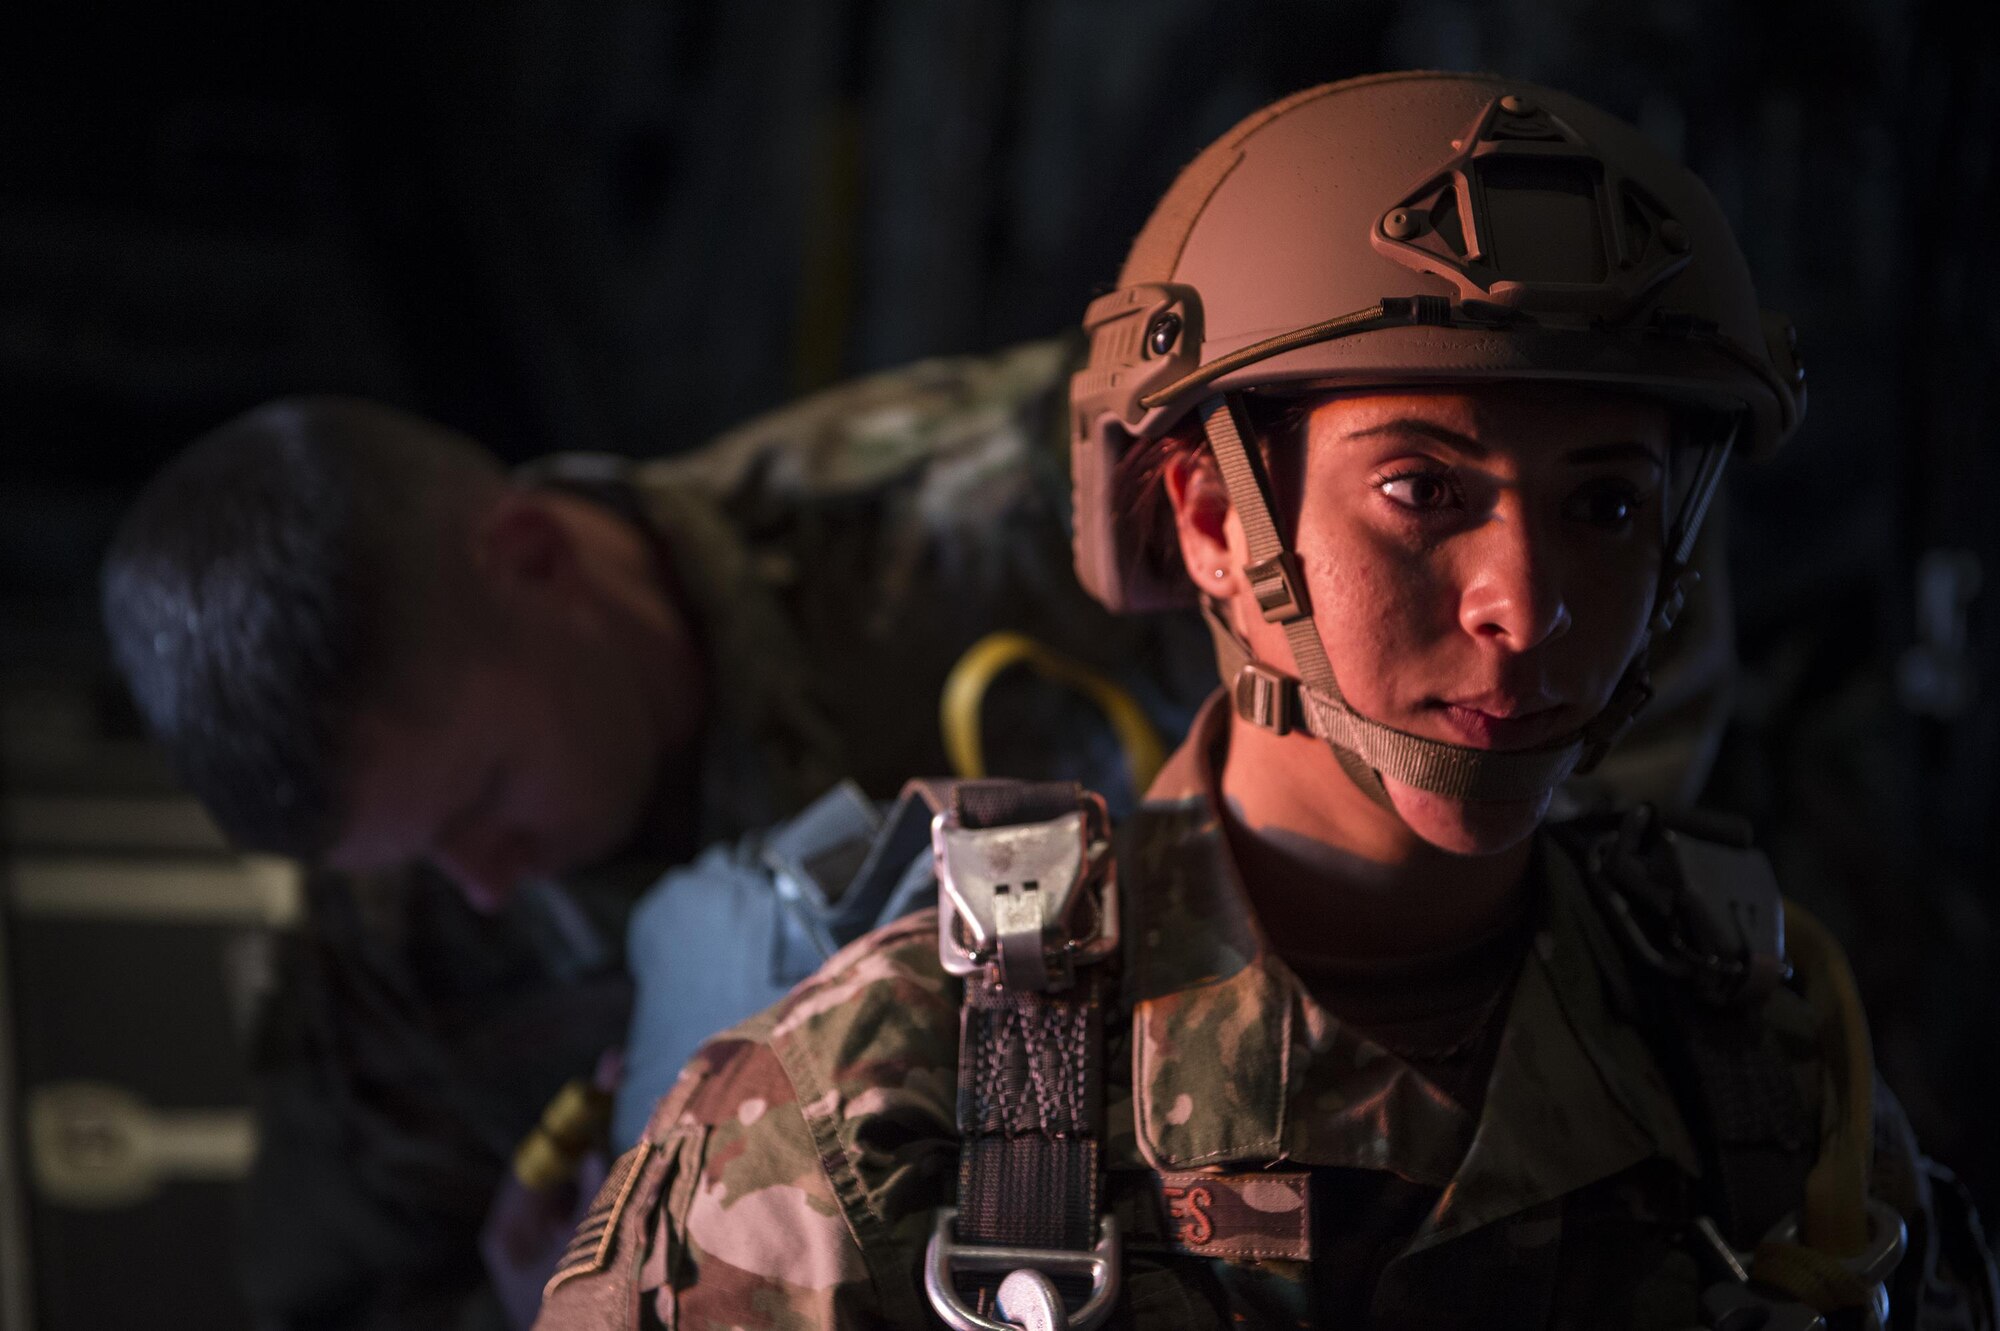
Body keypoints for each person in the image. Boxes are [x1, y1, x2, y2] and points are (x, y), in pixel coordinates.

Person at [534, 72, 1998, 1330]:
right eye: (1423, 489)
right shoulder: (885, 1109)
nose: (1525, 600)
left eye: (1606, 505)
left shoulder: (1763, 1067)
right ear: (1215, 523)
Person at [98, 371, 1207, 1329]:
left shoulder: (989, 504)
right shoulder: (392, 975)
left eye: (484, 799)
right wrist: (540, 1304)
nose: (484, 881)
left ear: (533, 557)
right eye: (420, 856)